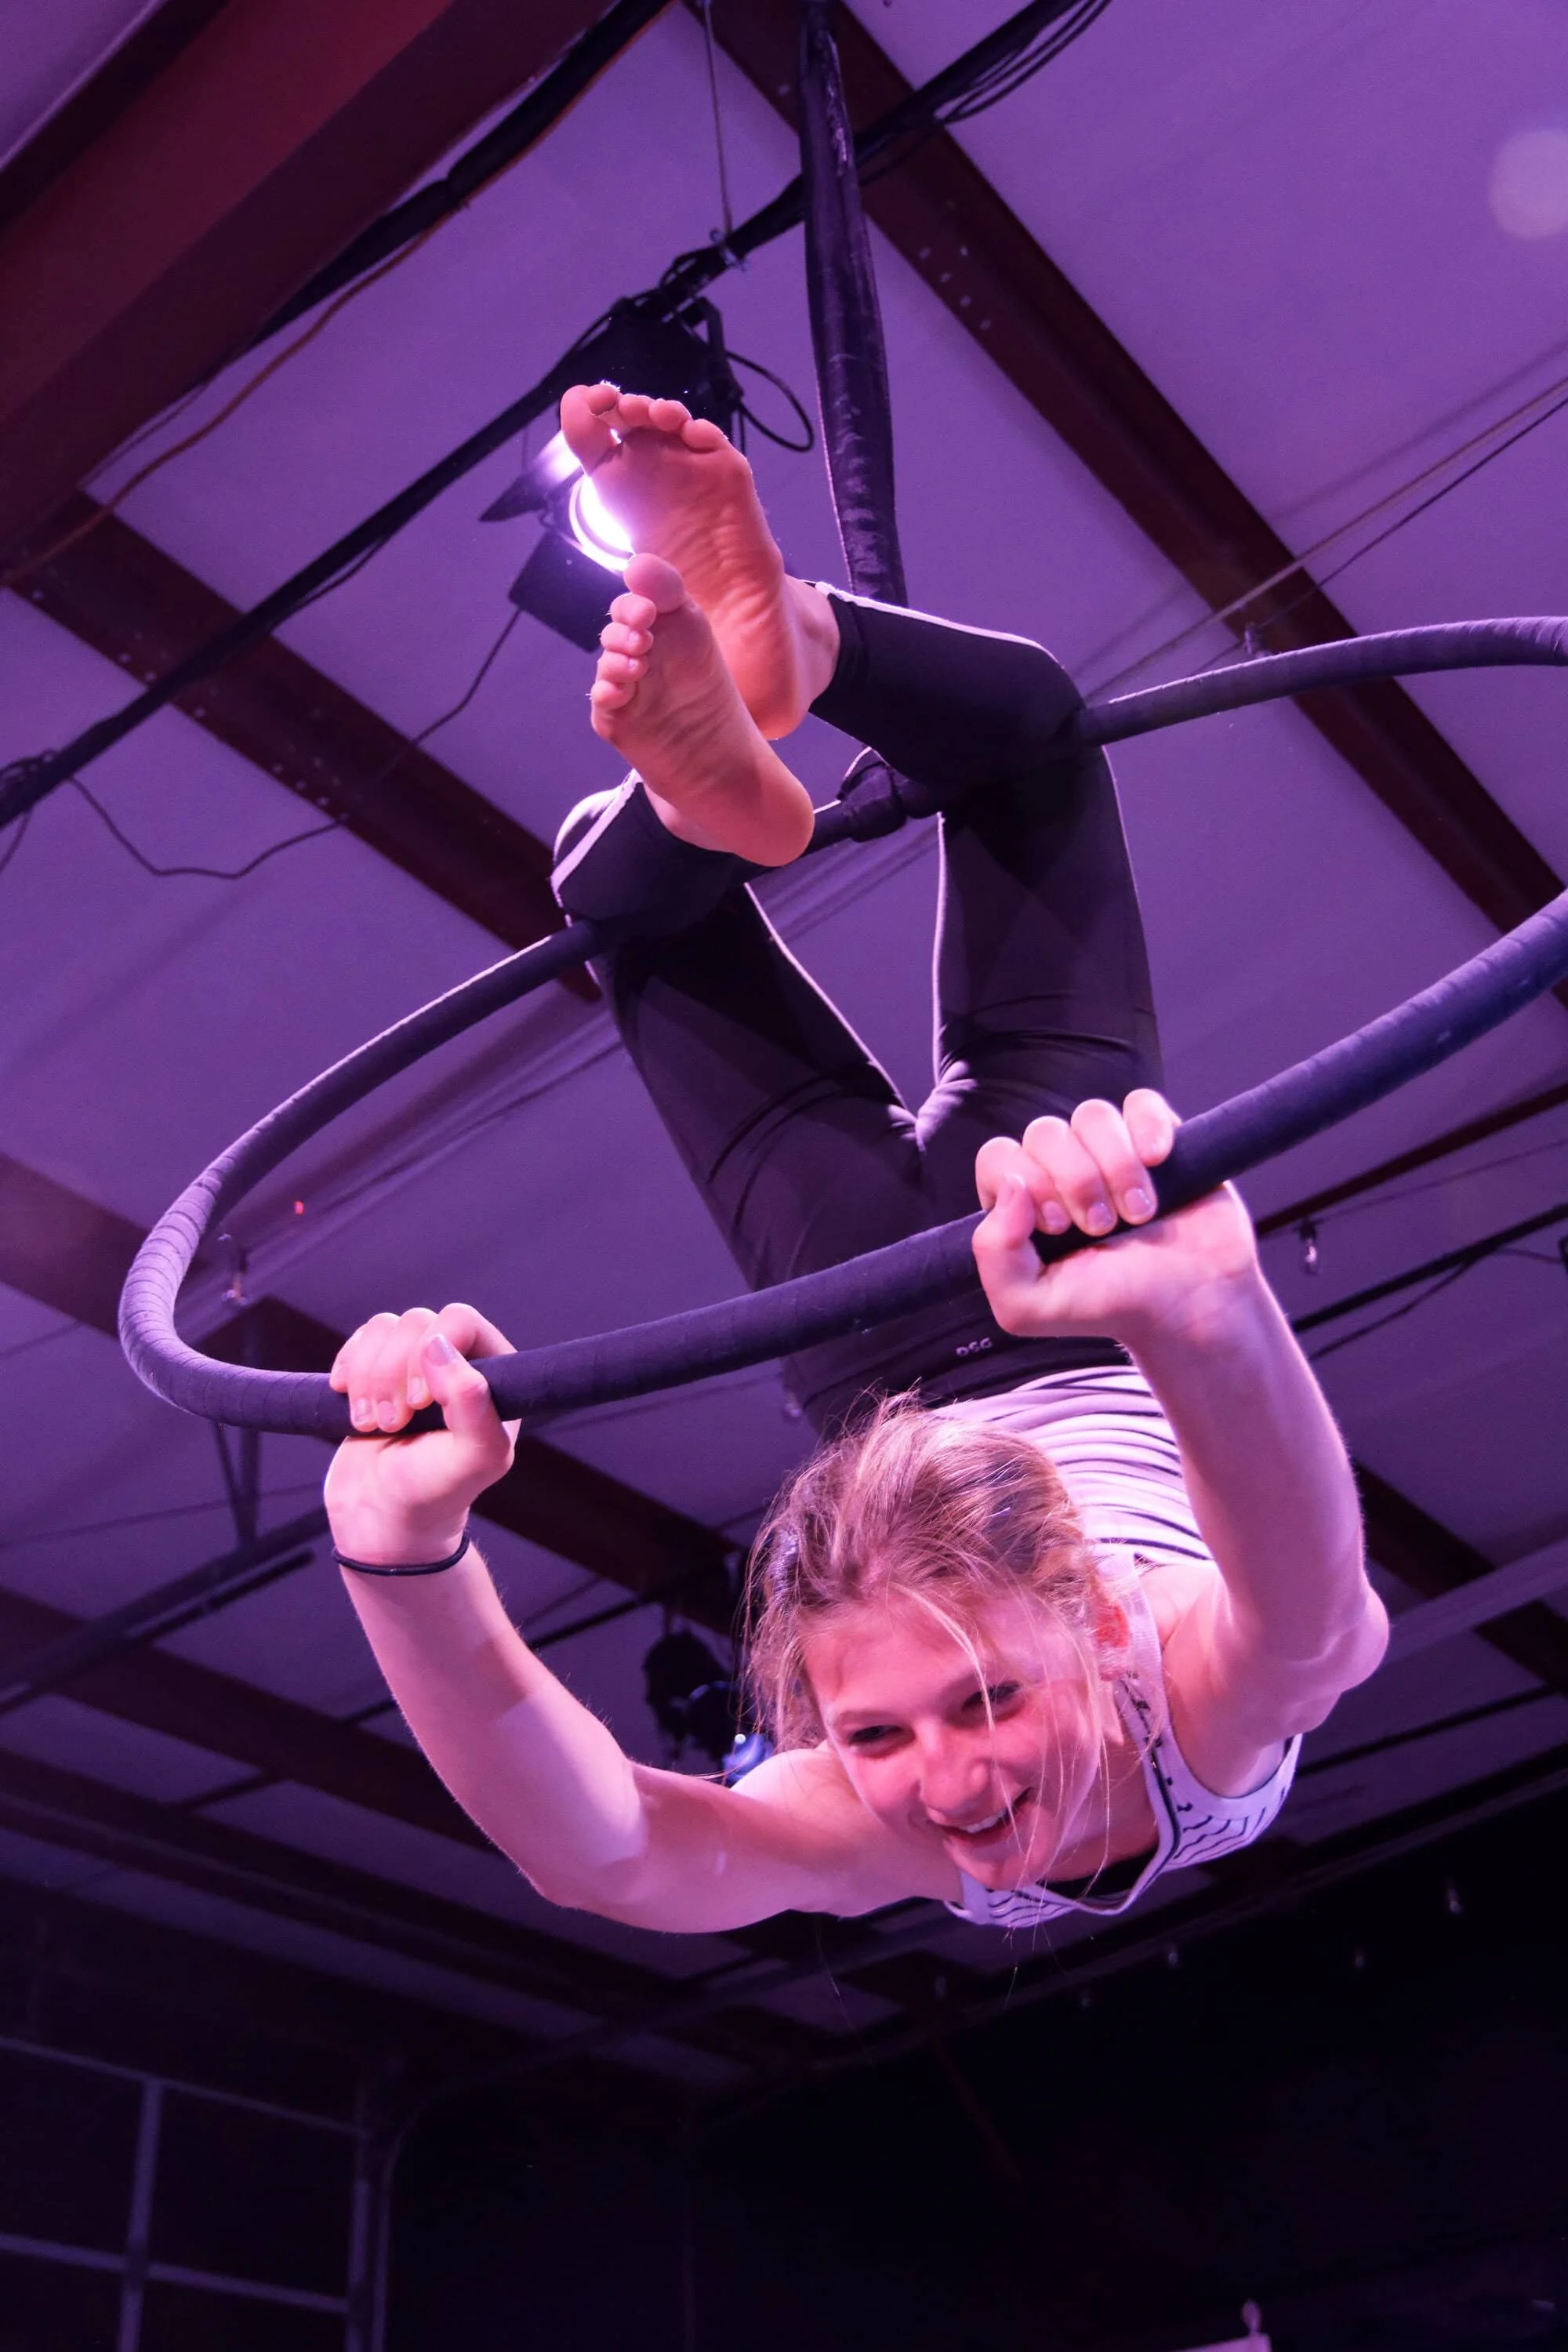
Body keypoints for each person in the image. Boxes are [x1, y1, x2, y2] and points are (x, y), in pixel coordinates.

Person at [322, 387, 1387, 1934]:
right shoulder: (1176, 1699)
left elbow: (609, 1854)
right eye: (974, 1704)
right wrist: (1204, 1321)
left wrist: (399, 1554)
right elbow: (1313, 1639)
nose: (946, 1787)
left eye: (884, 1728)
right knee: (996, 764)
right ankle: (791, 655)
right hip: (1083, 1281)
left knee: (712, 878)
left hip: (864, 1345)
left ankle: (722, 765)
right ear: (1097, 1624)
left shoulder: (870, 1830)